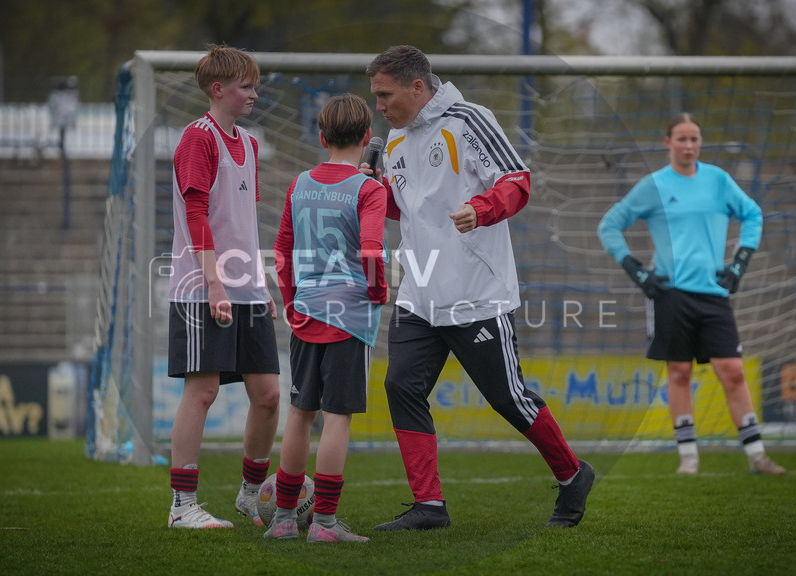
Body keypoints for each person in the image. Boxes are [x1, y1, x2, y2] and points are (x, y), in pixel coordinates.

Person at [364, 45, 594, 531]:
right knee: (400, 386)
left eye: (385, 96)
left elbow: (517, 180)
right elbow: (407, 210)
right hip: (419, 293)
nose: (379, 106)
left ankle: (573, 474)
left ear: (417, 87)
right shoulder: (394, 140)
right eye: (376, 98)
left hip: (476, 291)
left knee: (507, 397)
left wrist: (482, 209)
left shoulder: (470, 119)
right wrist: (369, 192)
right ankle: (428, 506)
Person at [597, 113, 786, 476]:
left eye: (695, 139)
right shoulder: (653, 185)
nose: (689, 146)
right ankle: (688, 458)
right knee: (679, 372)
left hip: (713, 295)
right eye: (682, 139)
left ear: (701, 143)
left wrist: (739, 264)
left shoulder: (718, 180)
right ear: (668, 143)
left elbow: (753, 214)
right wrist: (635, 269)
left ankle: (758, 456)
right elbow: (609, 225)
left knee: (731, 371)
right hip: (669, 293)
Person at [165, 45, 281, 530]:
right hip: (201, 285)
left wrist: (260, 281)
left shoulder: (249, 145)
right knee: (204, 390)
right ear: (218, 90)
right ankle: (181, 506)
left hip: (247, 287)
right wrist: (214, 284)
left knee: (270, 394)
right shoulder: (198, 139)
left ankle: (249, 496)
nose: (254, 94)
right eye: (246, 86)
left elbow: (240, 222)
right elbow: (197, 217)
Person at [265, 93, 389, 543]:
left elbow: (281, 250)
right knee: (337, 418)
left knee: (299, 413)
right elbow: (372, 250)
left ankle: (282, 520)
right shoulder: (368, 189)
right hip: (349, 318)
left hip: (306, 315)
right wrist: (377, 292)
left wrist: (292, 301)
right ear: (367, 137)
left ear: (321, 137)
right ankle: (325, 524)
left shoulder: (300, 183)